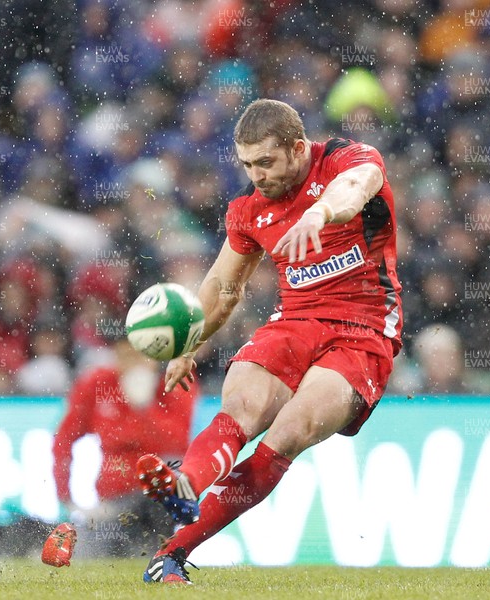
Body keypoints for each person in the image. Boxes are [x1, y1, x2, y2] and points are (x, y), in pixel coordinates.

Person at [136, 97, 403, 583]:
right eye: (246, 164)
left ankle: (175, 550)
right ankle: (184, 485)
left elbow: (354, 189)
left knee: (289, 431)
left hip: (363, 328)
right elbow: (222, 288)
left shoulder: (349, 159)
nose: (256, 175)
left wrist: (320, 215)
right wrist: (187, 345)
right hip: (294, 320)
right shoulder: (248, 209)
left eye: (265, 162)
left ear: (298, 149)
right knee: (240, 405)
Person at [52, 336, 199, 558]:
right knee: (88, 558)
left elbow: (177, 445)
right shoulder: (98, 383)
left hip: (158, 501)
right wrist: (65, 496)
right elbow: (64, 438)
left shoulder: (175, 381)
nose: (134, 364)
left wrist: (144, 407)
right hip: (113, 500)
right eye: (126, 356)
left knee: (167, 481)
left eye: (142, 356)